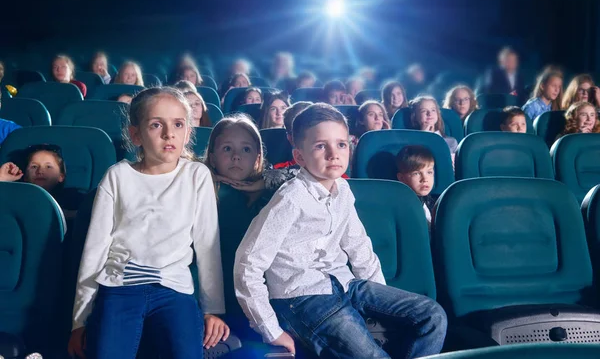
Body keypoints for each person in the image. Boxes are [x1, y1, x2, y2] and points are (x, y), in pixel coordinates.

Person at [234, 103, 447, 358]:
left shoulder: (343, 190)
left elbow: (358, 246)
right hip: (304, 298)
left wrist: (381, 302)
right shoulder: (290, 199)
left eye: (341, 144)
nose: (333, 154)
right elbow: (248, 263)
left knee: (433, 316)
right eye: (320, 146)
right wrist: (269, 327)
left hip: (346, 285)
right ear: (300, 156)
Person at [67, 87, 229, 359]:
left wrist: (213, 309)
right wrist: (79, 321)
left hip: (173, 291)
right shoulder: (117, 177)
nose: (169, 134)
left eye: (178, 124)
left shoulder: (197, 175)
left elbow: (207, 245)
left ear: (188, 132)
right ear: (136, 135)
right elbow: (94, 252)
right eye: (156, 125)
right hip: (119, 289)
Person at [396, 145, 436, 227]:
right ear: (402, 178)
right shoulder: (403, 209)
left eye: (429, 172)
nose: (425, 179)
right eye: (416, 173)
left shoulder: (435, 203)